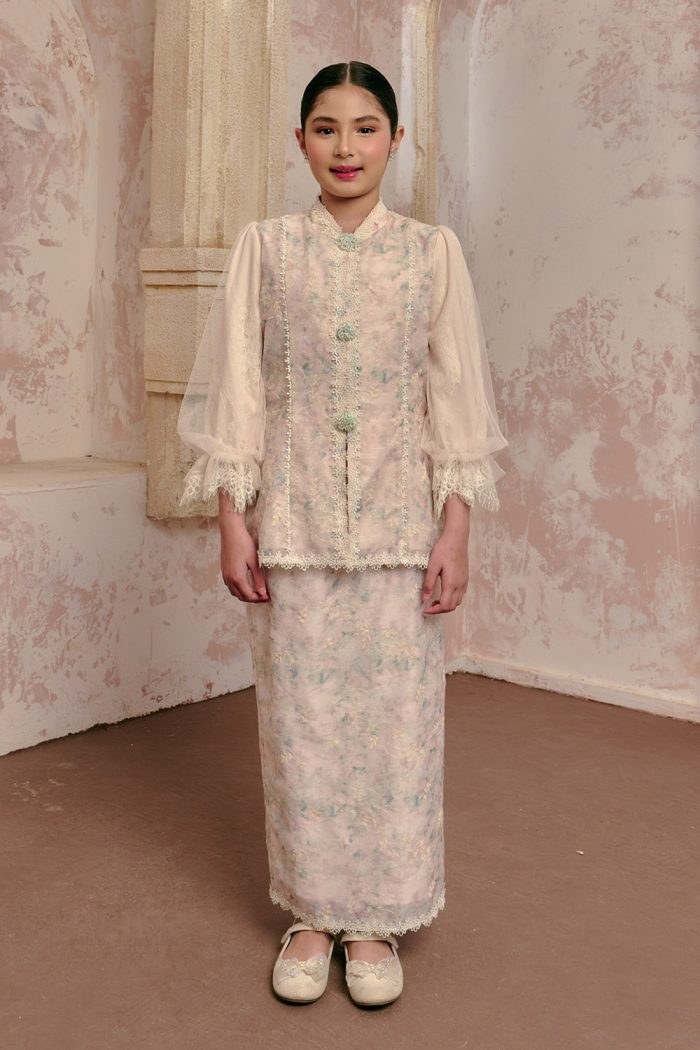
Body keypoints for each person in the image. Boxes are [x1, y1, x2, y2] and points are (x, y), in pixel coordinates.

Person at [177, 60, 508, 1007]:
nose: (346, 147)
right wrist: (231, 517)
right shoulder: (267, 248)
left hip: (403, 530)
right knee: (301, 724)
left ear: (396, 141)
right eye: (326, 128)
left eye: (366, 129)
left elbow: (455, 397)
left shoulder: (431, 253)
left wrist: (456, 530)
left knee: (398, 730)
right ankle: (313, 913)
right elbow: (239, 388)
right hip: (294, 524)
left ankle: (377, 920)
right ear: (300, 141)